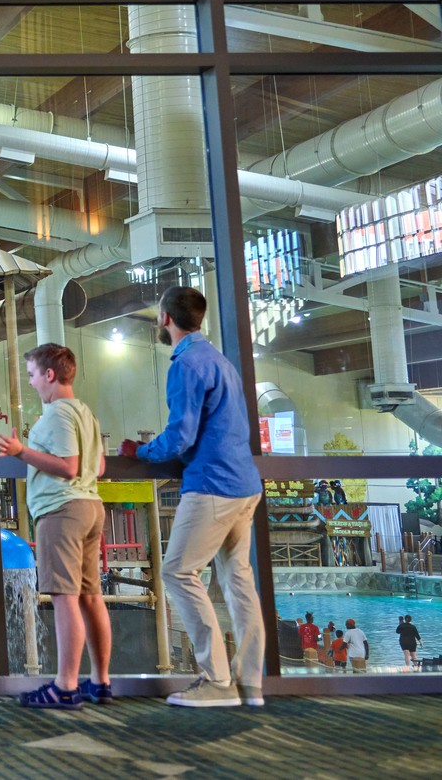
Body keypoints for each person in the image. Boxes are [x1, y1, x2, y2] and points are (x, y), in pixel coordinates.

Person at [120, 287, 266, 708]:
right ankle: (249, 683)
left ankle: (217, 683)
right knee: (238, 582)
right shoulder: (222, 362)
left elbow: (181, 436)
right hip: (246, 484)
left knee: (178, 573)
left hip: (212, 485)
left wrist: (140, 452)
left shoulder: (185, 364)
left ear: (165, 318)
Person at [0, 343, 112, 710]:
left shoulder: (58, 414)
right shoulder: (84, 413)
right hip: (91, 506)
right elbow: (98, 468)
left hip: (62, 510)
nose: (30, 384)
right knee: (92, 598)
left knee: (64, 598)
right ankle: (101, 681)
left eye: (31, 375)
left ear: (49, 374)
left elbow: (69, 465)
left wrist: (19, 452)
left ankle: (65, 685)